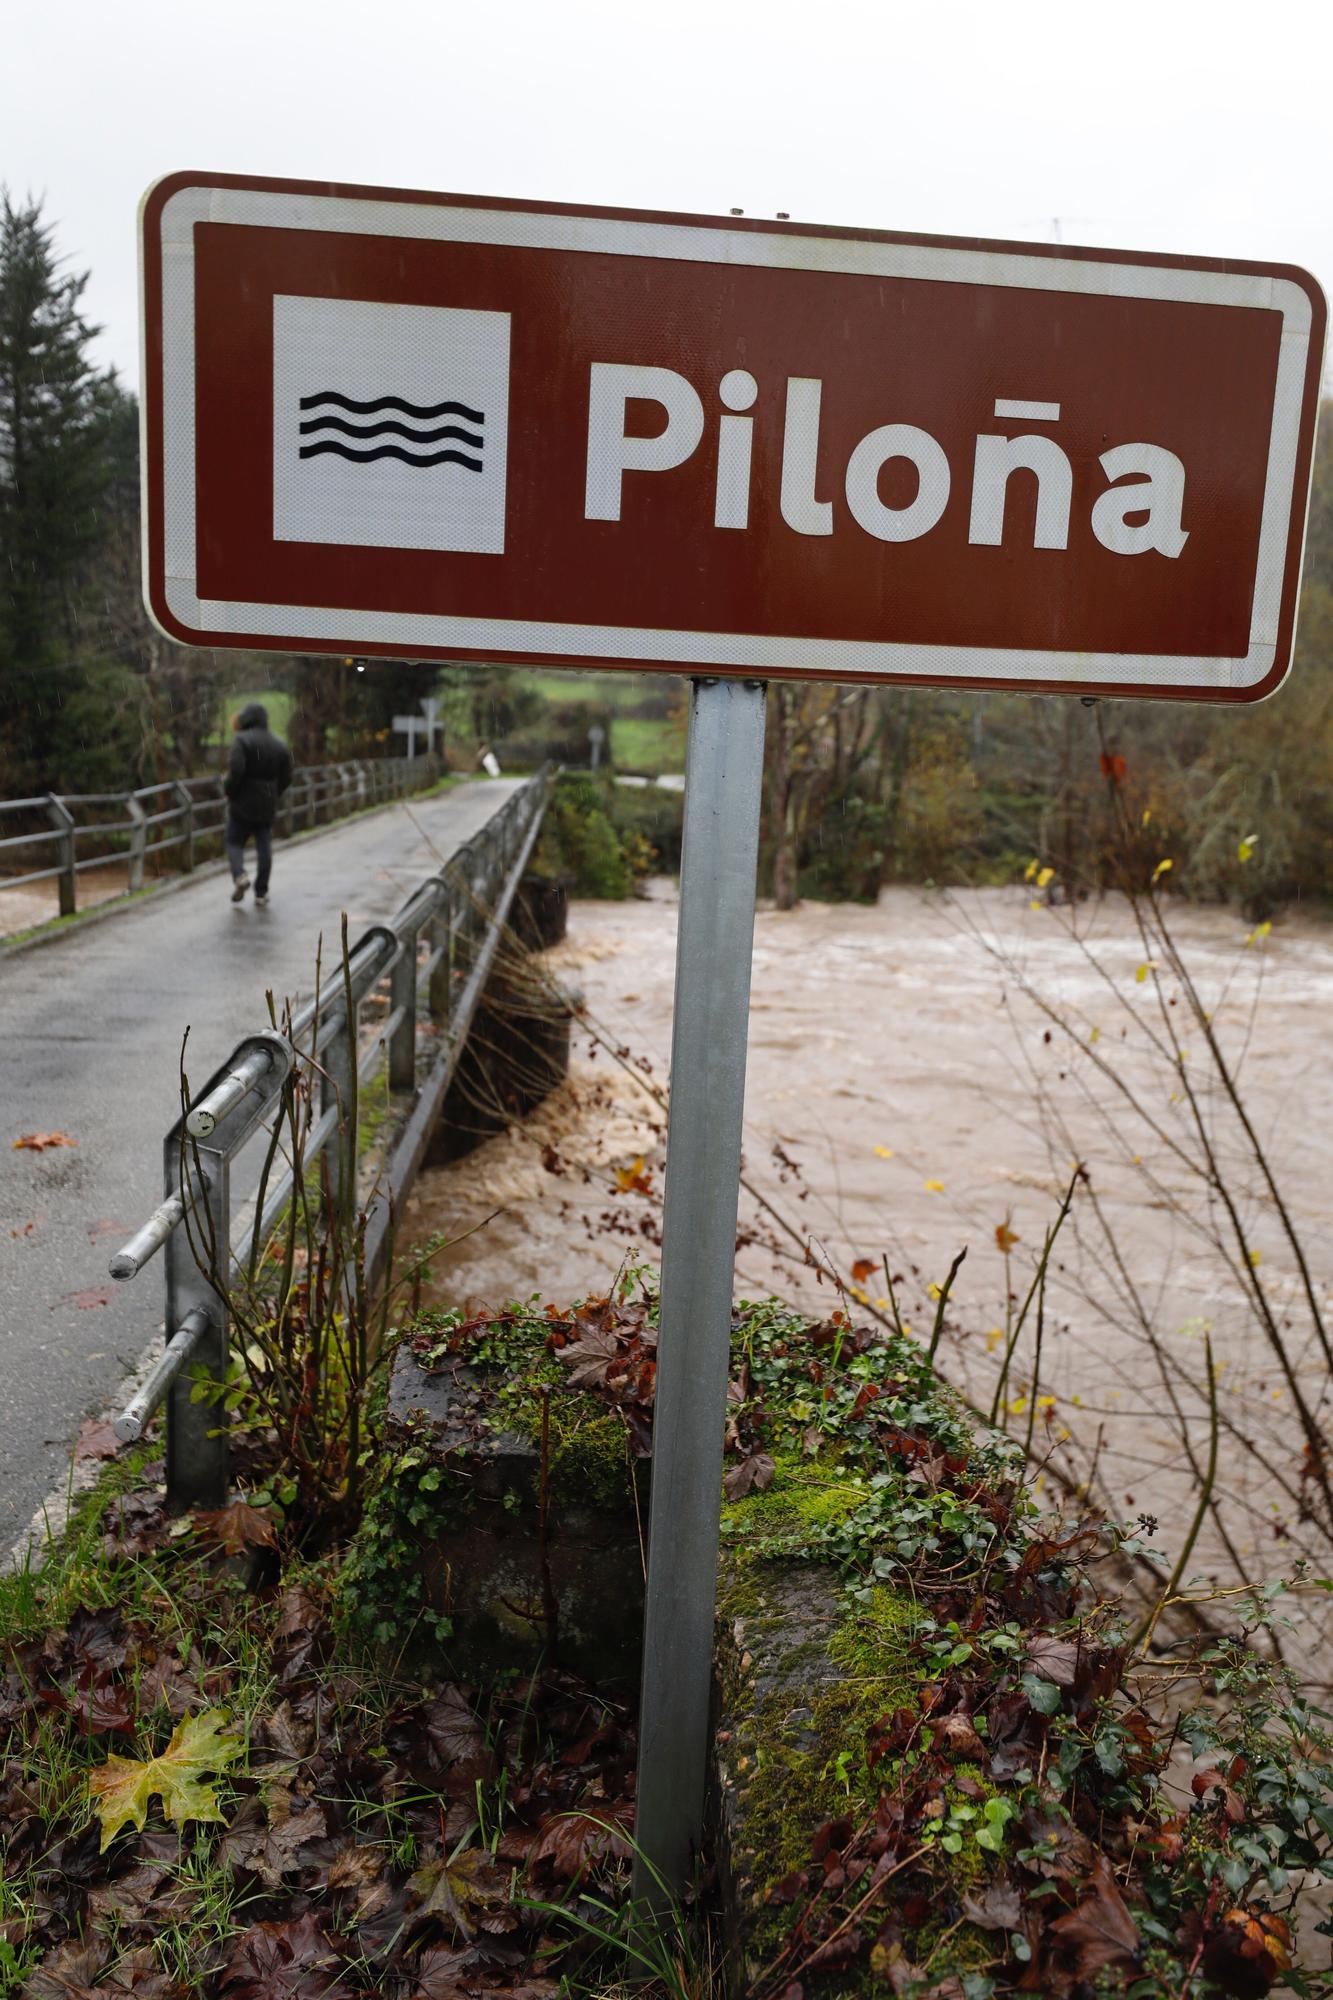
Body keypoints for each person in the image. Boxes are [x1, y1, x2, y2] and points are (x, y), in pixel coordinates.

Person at [224, 702, 293, 906]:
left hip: (243, 801)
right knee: (264, 846)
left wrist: (229, 790)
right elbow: (288, 775)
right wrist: (274, 791)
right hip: (267, 802)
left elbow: (236, 770)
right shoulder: (279, 744)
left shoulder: (242, 740)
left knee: (234, 841)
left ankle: (240, 875)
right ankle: (261, 892)